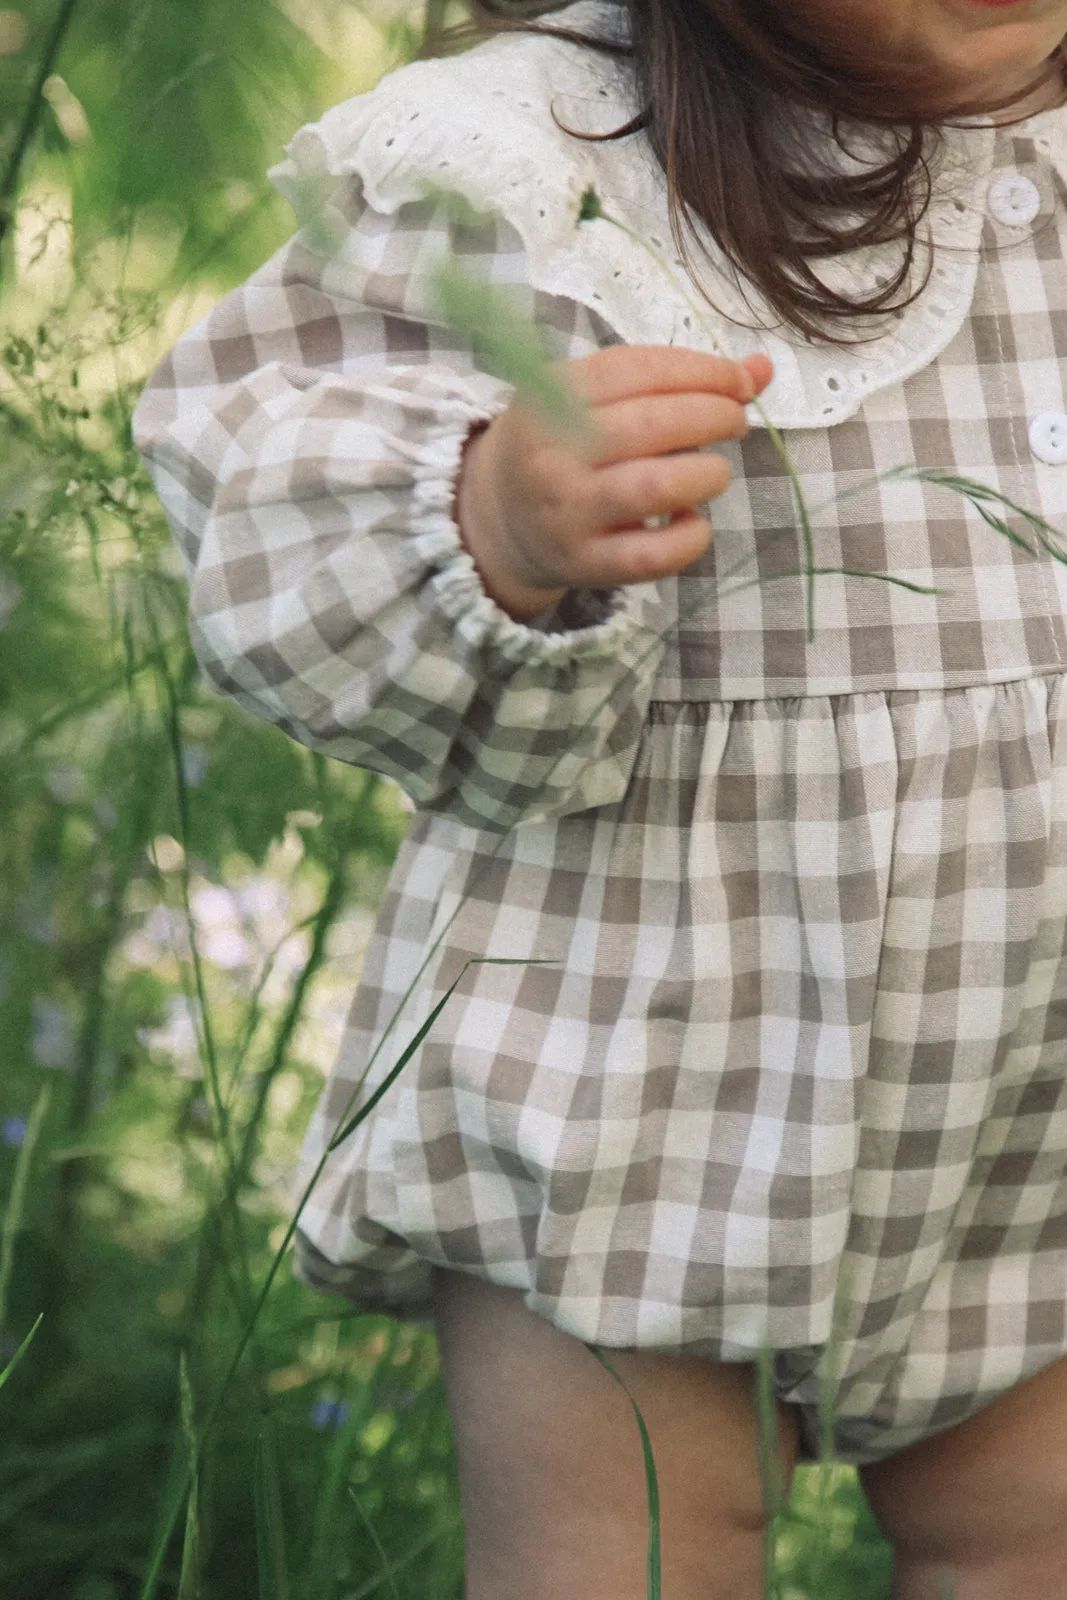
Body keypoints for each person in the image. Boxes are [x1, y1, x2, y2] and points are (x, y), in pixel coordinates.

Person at [134, 0, 1067, 1593]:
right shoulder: (541, 162)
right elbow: (267, 500)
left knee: (1032, 1538)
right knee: (619, 1556)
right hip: (635, 1070)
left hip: (1037, 1093)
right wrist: (492, 508)